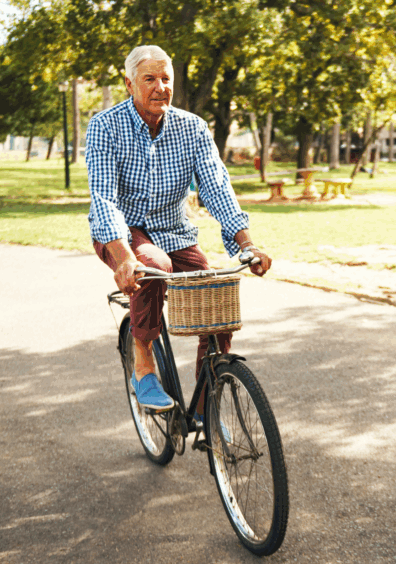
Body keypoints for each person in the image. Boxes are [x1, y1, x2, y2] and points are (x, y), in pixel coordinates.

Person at [86, 45, 272, 417]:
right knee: (152, 265)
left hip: (175, 231)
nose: (160, 87)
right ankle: (143, 364)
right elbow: (104, 198)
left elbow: (217, 187)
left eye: (166, 78)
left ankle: (207, 406)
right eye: (149, 79)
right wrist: (123, 258)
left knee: (214, 299)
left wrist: (246, 244)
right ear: (129, 84)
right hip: (125, 231)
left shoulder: (192, 127)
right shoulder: (105, 126)